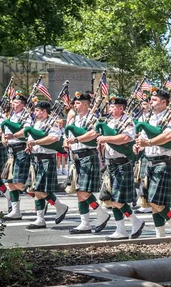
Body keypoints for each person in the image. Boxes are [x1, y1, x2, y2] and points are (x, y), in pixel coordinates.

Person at [134, 88, 171, 237]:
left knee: (154, 200)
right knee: (152, 203)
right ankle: (160, 235)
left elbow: (170, 135)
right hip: (150, 161)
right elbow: (143, 138)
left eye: (155, 99)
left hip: (164, 161)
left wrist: (149, 142)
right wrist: (138, 144)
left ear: (164, 102)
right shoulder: (150, 118)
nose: (151, 101)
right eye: (151, 99)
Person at [96, 96, 145, 239]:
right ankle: (121, 230)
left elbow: (125, 138)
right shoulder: (109, 122)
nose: (110, 109)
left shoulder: (127, 122)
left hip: (122, 163)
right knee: (111, 199)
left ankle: (135, 221)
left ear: (121, 108)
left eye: (113, 107)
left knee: (118, 200)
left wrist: (106, 139)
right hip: (110, 163)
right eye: (109, 107)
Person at [64, 91, 110, 234]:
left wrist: (77, 140)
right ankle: (85, 223)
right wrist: (66, 143)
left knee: (83, 191)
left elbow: (93, 134)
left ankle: (101, 213)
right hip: (76, 157)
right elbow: (67, 135)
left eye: (78, 103)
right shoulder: (73, 120)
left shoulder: (93, 118)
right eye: (75, 103)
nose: (75, 105)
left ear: (85, 104)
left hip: (88, 156)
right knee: (79, 191)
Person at [25, 100, 69, 229]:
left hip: (47, 158)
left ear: (45, 112)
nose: (35, 112)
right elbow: (32, 140)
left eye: (38, 110)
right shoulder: (37, 124)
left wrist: (36, 143)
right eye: (35, 110)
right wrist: (30, 147)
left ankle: (59, 207)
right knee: (36, 190)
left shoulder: (52, 124)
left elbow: (54, 138)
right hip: (36, 158)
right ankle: (40, 219)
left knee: (40, 190)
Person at [2, 92, 33, 221]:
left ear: (23, 105)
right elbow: (4, 129)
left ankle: (39, 195)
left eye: (16, 103)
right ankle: (16, 211)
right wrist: (3, 137)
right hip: (11, 151)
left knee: (19, 183)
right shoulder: (11, 116)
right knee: (10, 183)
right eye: (13, 102)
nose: (13, 105)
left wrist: (13, 136)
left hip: (21, 149)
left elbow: (26, 131)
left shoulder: (26, 116)